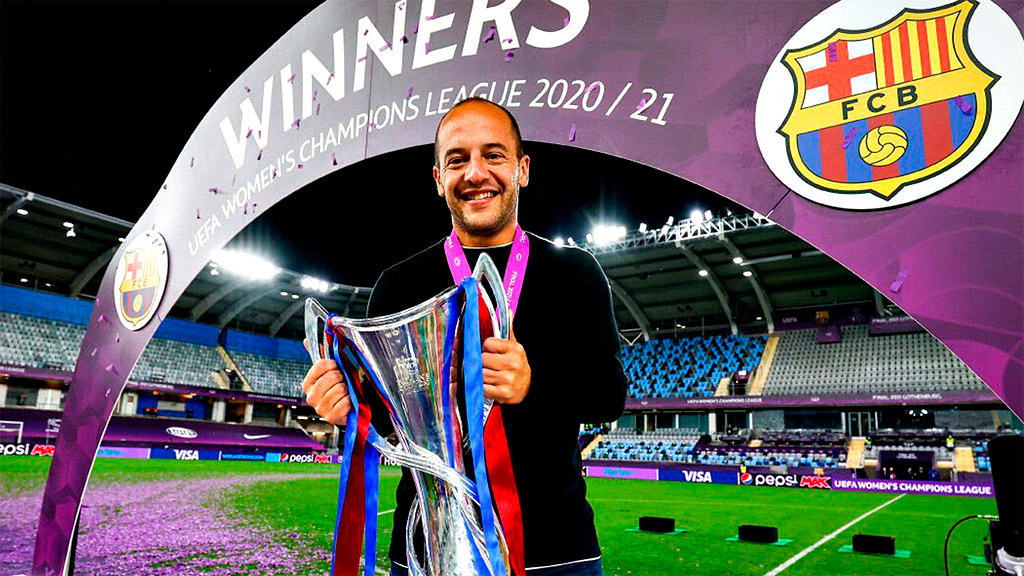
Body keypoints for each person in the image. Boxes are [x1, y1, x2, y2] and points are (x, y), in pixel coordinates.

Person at [302, 97, 627, 576]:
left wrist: (532, 384)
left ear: (522, 169)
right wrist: (345, 406)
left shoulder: (574, 272)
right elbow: (387, 421)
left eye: (493, 155)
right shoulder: (398, 286)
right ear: (439, 179)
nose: (476, 173)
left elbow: (610, 395)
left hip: (557, 552)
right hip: (426, 551)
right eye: (457, 160)